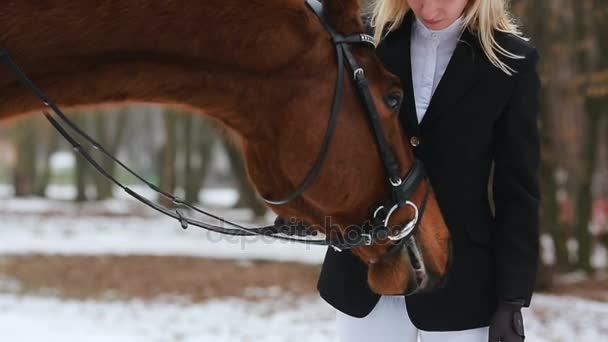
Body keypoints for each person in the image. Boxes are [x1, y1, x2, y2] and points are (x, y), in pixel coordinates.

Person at [316, 0, 541, 341]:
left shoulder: (512, 61)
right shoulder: (363, 38)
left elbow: (518, 189)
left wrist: (512, 297)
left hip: (460, 280)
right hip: (366, 270)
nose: (430, 9)